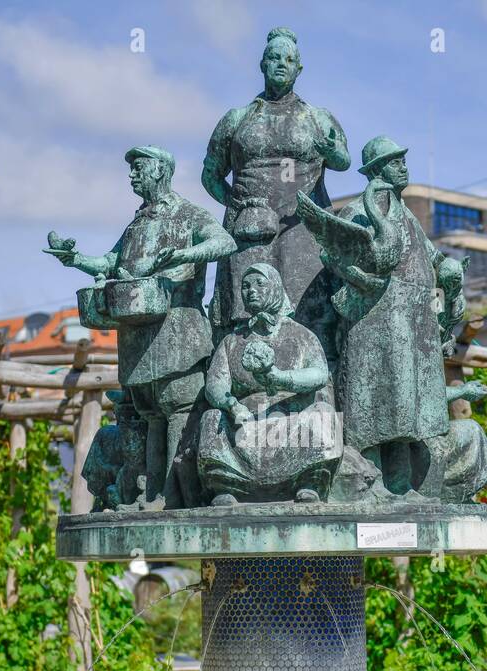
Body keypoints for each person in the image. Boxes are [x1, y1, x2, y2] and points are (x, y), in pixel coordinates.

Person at [47, 145, 235, 508]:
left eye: (139, 167)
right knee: (150, 415)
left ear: (161, 171)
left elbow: (224, 242)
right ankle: (152, 495)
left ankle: (174, 494)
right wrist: (76, 259)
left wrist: (186, 254)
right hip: (139, 335)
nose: (132, 174)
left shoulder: (188, 215)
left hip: (178, 332)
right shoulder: (138, 222)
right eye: (131, 169)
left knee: (178, 409)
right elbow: (111, 260)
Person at [305, 135, 466, 495]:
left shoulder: (406, 213)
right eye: (395, 162)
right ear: (377, 170)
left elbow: (428, 255)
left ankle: (401, 484)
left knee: (406, 409)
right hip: (375, 323)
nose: (403, 167)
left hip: (411, 322)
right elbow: (334, 257)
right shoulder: (358, 211)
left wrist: (448, 266)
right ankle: (368, 482)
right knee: (375, 406)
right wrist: (366, 281)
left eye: (403, 161)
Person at [202, 26, 349, 352]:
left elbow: (343, 161)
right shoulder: (237, 119)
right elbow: (210, 175)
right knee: (243, 312)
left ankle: (312, 380)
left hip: (302, 228)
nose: (281, 63)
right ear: (262, 64)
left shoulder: (317, 118)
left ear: (299, 68)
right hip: (250, 230)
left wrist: (331, 149)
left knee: (309, 309)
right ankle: (239, 377)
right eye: (274, 57)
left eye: (289, 59)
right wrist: (237, 204)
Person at [198, 264, 342, 504]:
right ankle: (228, 486)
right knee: (212, 418)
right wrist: (231, 405)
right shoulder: (231, 341)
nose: (251, 291)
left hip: (292, 417)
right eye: (245, 286)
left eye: (259, 284)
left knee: (323, 415)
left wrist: (280, 378)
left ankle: (308, 484)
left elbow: (319, 374)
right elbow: (215, 383)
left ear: (275, 288)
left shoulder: (301, 335)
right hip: (244, 419)